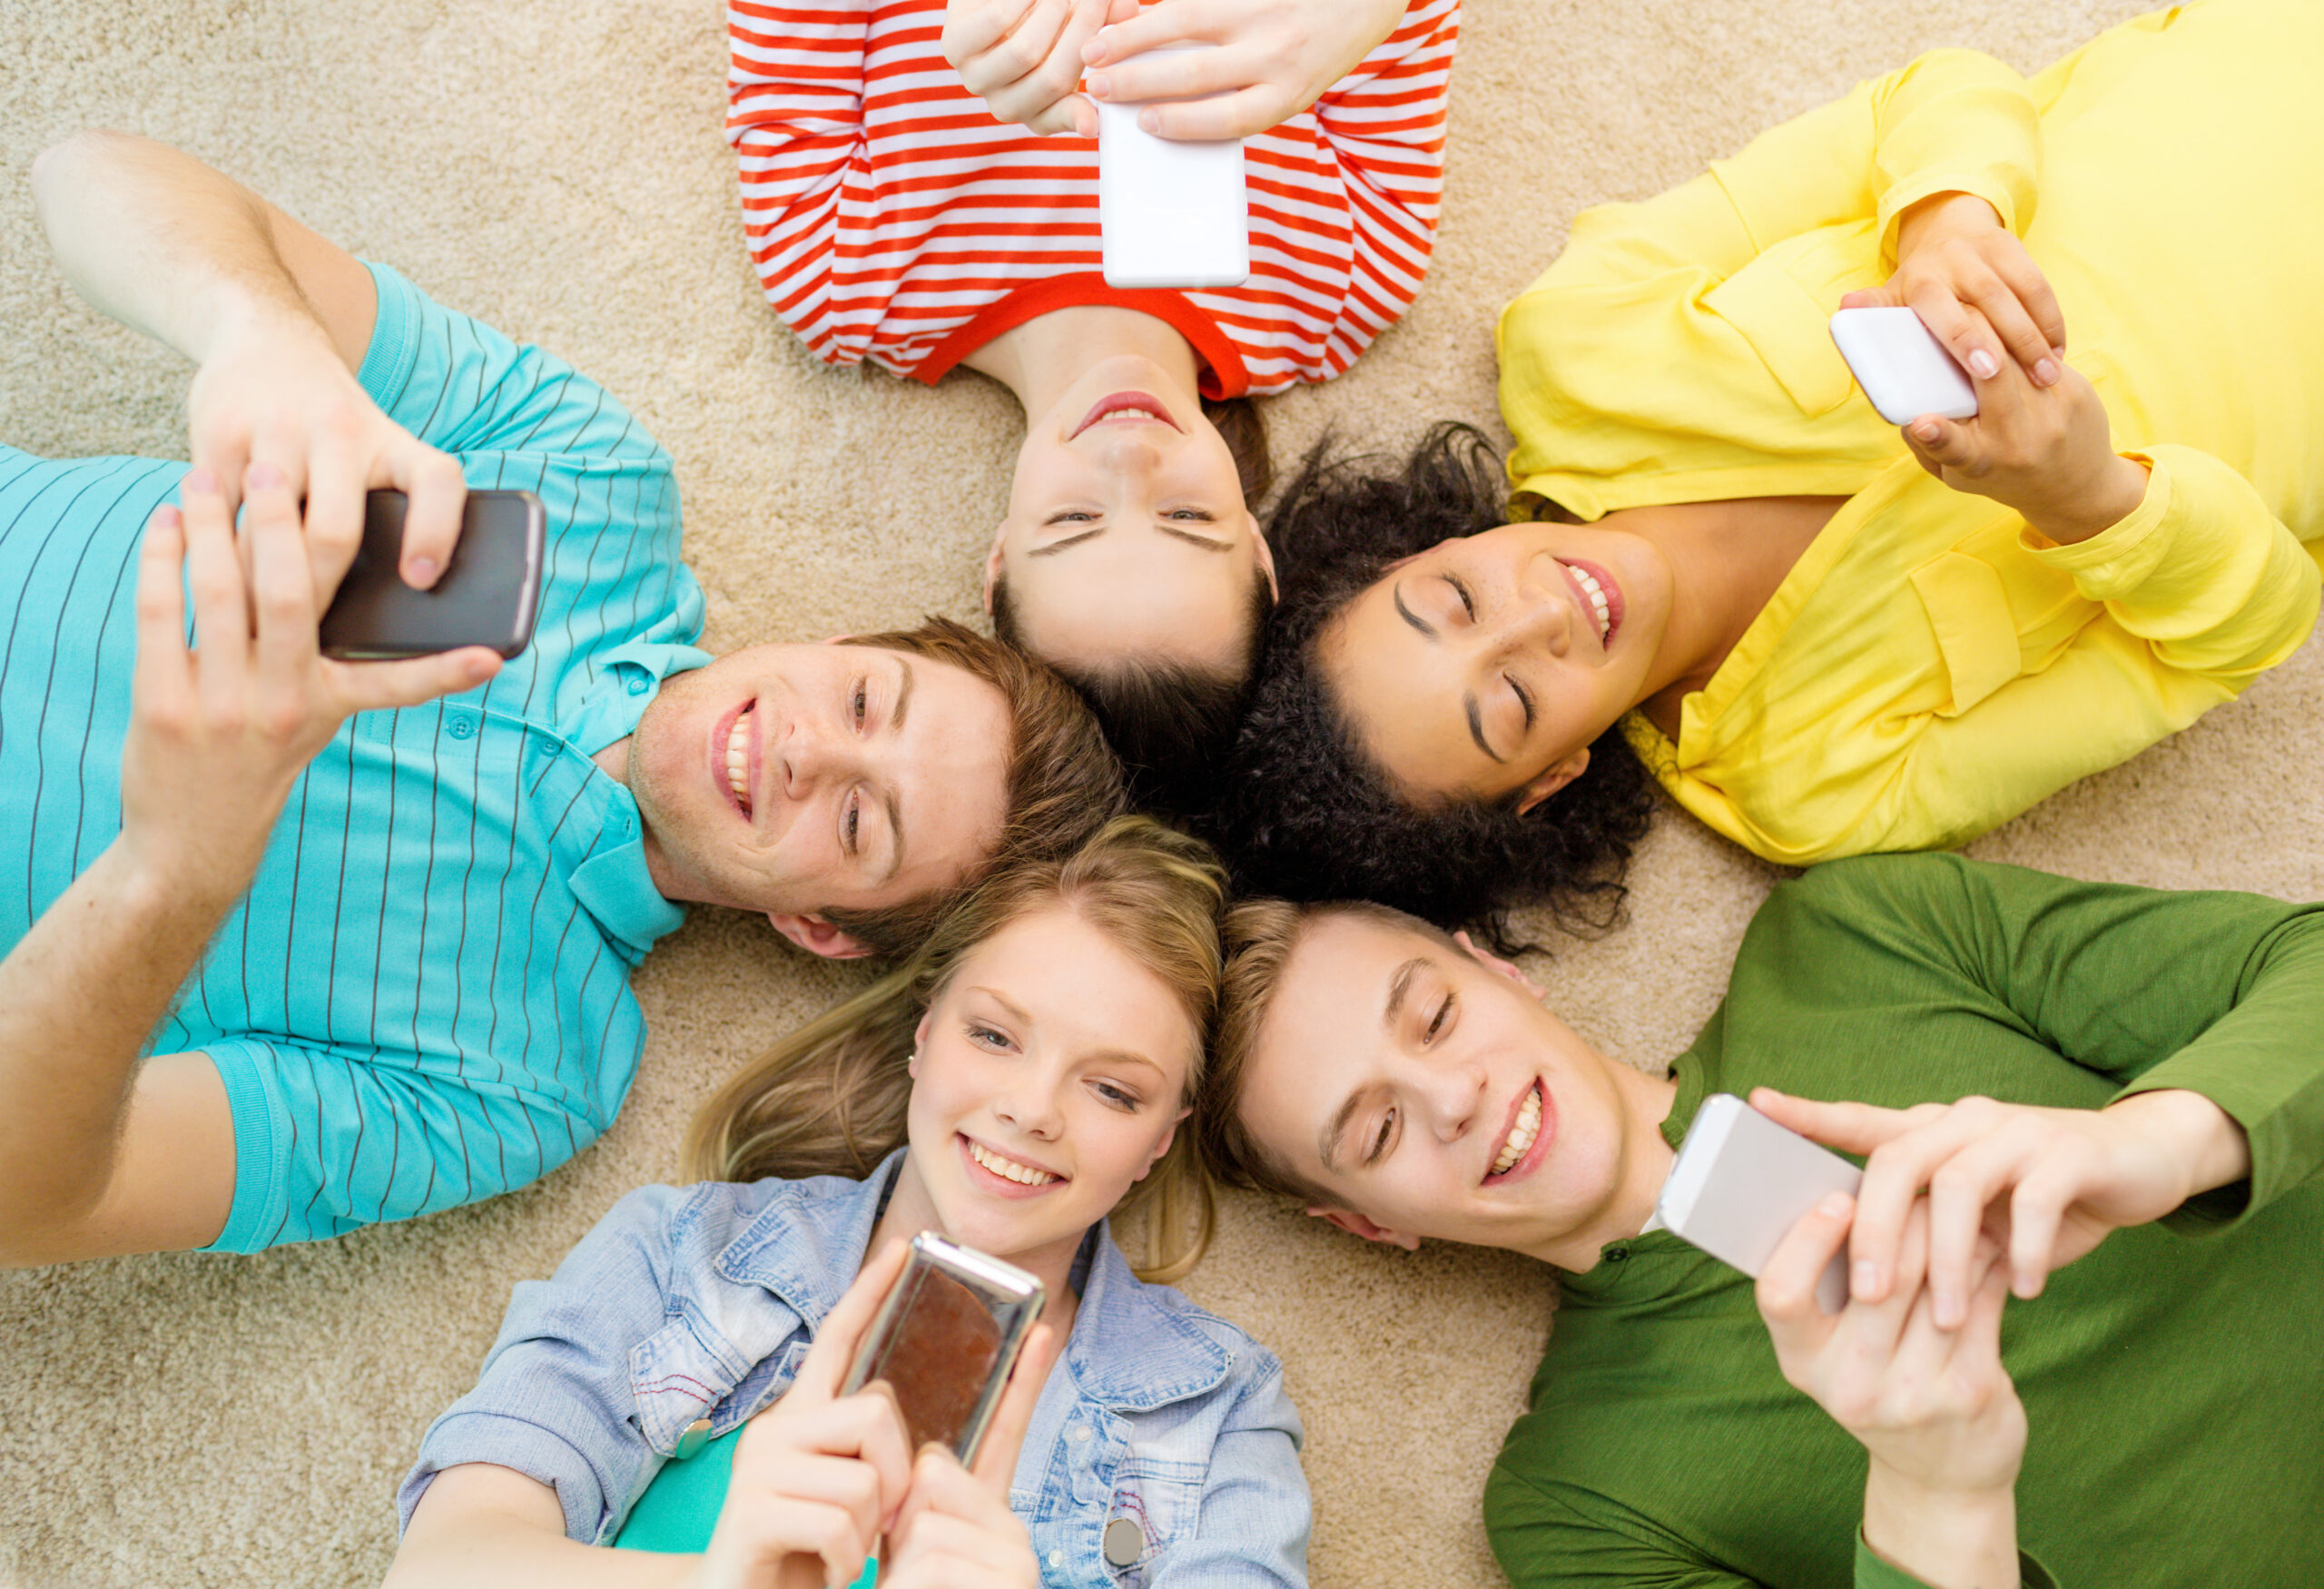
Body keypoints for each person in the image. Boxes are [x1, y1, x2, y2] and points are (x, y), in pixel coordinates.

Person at [0, 131, 1126, 1268]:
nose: (809, 752)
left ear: (820, 929)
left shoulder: (523, 1074)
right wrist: (258, 332)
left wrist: (172, 870)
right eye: (864, 700)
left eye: (857, 820)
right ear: (835, 640)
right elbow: (83, 175)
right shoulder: (588, 484)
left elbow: (27, 1201)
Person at [1220, 0, 2324, 928]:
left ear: (1434, 544)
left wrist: (1945, 224)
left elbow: (1931, 92)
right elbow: (2244, 634)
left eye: (1454, 597)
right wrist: (2084, 499)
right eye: (1511, 700)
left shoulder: (1578, 340)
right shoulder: (1819, 790)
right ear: (1549, 779)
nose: (1537, 619)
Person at [1196, 851, 2324, 1586]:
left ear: (1499, 970)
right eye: (1376, 1133)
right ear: (1366, 1227)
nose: (1452, 1097)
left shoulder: (1846, 939)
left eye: (1434, 1016)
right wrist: (1938, 1489)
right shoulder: (1580, 1509)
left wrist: (2150, 1144)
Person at [388, 817, 1309, 1588]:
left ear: (1161, 1136)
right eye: (993, 1034)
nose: (1030, 1109)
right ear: (924, 1034)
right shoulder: (686, 1253)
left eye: (1112, 1090)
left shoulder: (1217, 1407)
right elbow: (442, 1562)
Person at [726, 0, 1459, 807]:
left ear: (1000, 556)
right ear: (1258, 547)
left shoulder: (838, 276)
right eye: (1186, 517)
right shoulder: (1344, 285)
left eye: (1075, 521)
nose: (1128, 455)